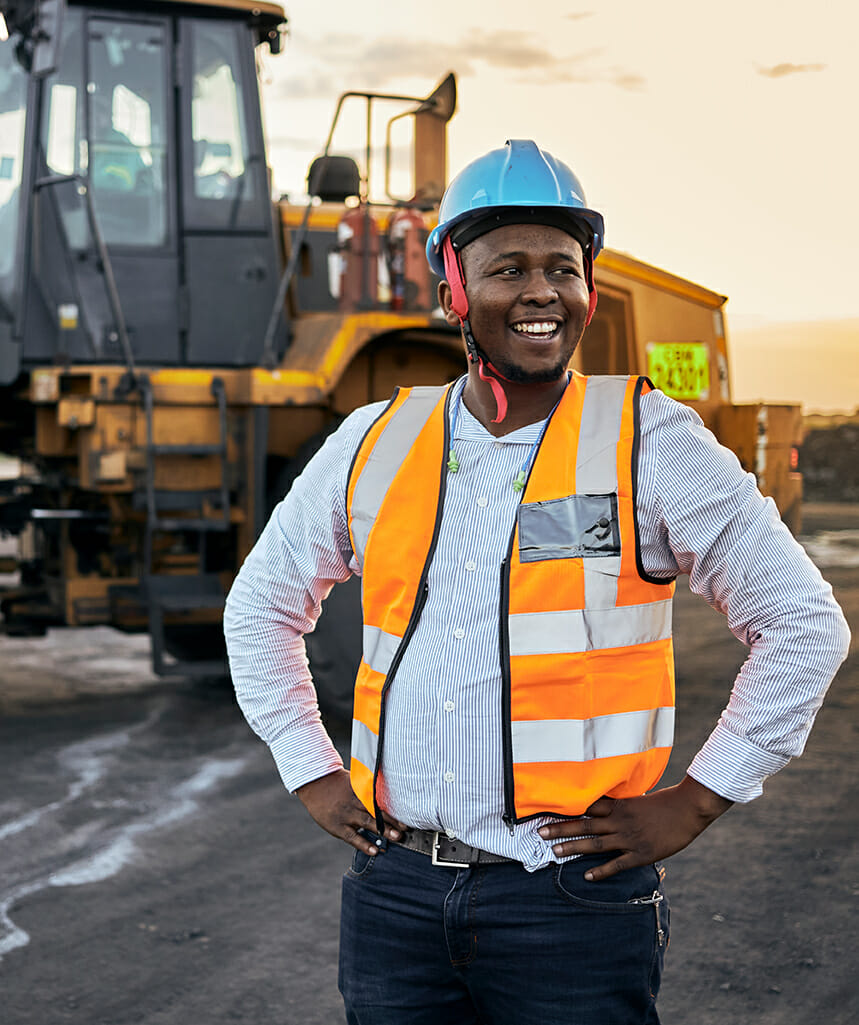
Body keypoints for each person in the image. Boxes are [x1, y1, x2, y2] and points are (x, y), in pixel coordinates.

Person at [224, 140, 850, 1025]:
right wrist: (308, 767)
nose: (539, 290)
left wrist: (700, 798)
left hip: (570, 905)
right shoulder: (375, 440)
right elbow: (259, 607)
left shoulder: (650, 441)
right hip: (396, 894)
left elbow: (801, 623)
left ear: (588, 290)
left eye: (563, 267)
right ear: (452, 286)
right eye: (506, 267)